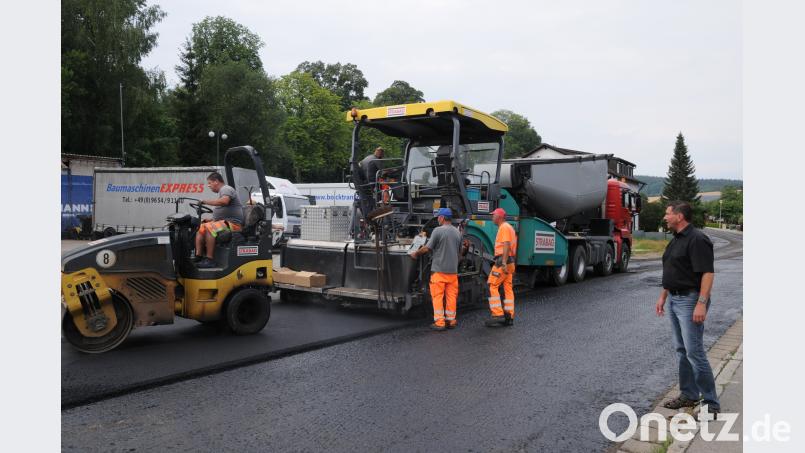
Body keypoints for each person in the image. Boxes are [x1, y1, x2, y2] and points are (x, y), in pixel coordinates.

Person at [655, 201, 720, 420]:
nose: (665, 217)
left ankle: (711, 403)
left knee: (694, 352)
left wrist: (701, 302)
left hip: (690, 300)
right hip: (675, 299)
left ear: (680, 216)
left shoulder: (697, 239)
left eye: (668, 214)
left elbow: (708, 273)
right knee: (682, 350)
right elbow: (674, 270)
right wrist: (664, 296)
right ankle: (689, 394)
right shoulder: (676, 240)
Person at [410, 207, 463, 331]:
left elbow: (427, 248)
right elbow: (460, 252)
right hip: (453, 272)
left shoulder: (438, 231)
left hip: (439, 271)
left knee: (437, 296)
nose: (438, 219)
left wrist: (416, 253)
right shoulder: (457, 233)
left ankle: (439, 322)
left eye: (438, 217)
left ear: (442, 218)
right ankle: (451, 320)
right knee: (451, 296)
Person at [194, 172, 244, 269]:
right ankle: (199, 256)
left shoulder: (226, 189)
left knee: (210, 228)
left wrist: (204, 202)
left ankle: (210, 260)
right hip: (225, 222)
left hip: (234, 224)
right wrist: (212, 219)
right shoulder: (222, 191)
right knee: (201, 226)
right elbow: (225, 212)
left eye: (209, 183)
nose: (209, 186)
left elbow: (224, 202)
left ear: (216, 181)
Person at [485, 208, 517, 327]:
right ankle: (509, 315)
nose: (492, 217)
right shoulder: (509, 227)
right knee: (508, 288)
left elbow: (506, 244)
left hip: (502, 262)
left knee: (492, 285)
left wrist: (503, 262)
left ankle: (497, 314)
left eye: (493, 215)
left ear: (499, 216)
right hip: (510, 262)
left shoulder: (504, 227)